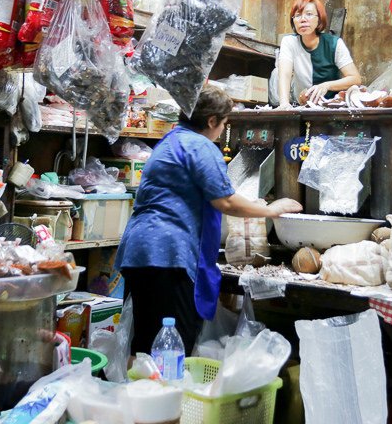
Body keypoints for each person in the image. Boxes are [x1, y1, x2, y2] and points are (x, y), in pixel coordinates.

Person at [117, 85, 302, 355]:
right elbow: (225, 201)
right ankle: (166, 395)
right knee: (172, 344)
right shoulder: (200, 146)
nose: (220, 131)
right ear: (212, 121)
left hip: (140, 251)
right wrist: (271, 210)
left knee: (146, 343)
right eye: (223, 123)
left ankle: (142, 394)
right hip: (168, 254)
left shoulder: (170, 141)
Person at [275, 0, 362, 107]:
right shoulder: (289, 42)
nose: (303, 19)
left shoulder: (334, 44)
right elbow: (285, 74)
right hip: (303, 106)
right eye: (297, 15)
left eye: (309, 14)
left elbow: (355, 78)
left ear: (319, 19)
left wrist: (326, 85)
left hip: (332, 106)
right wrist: (284, 103)